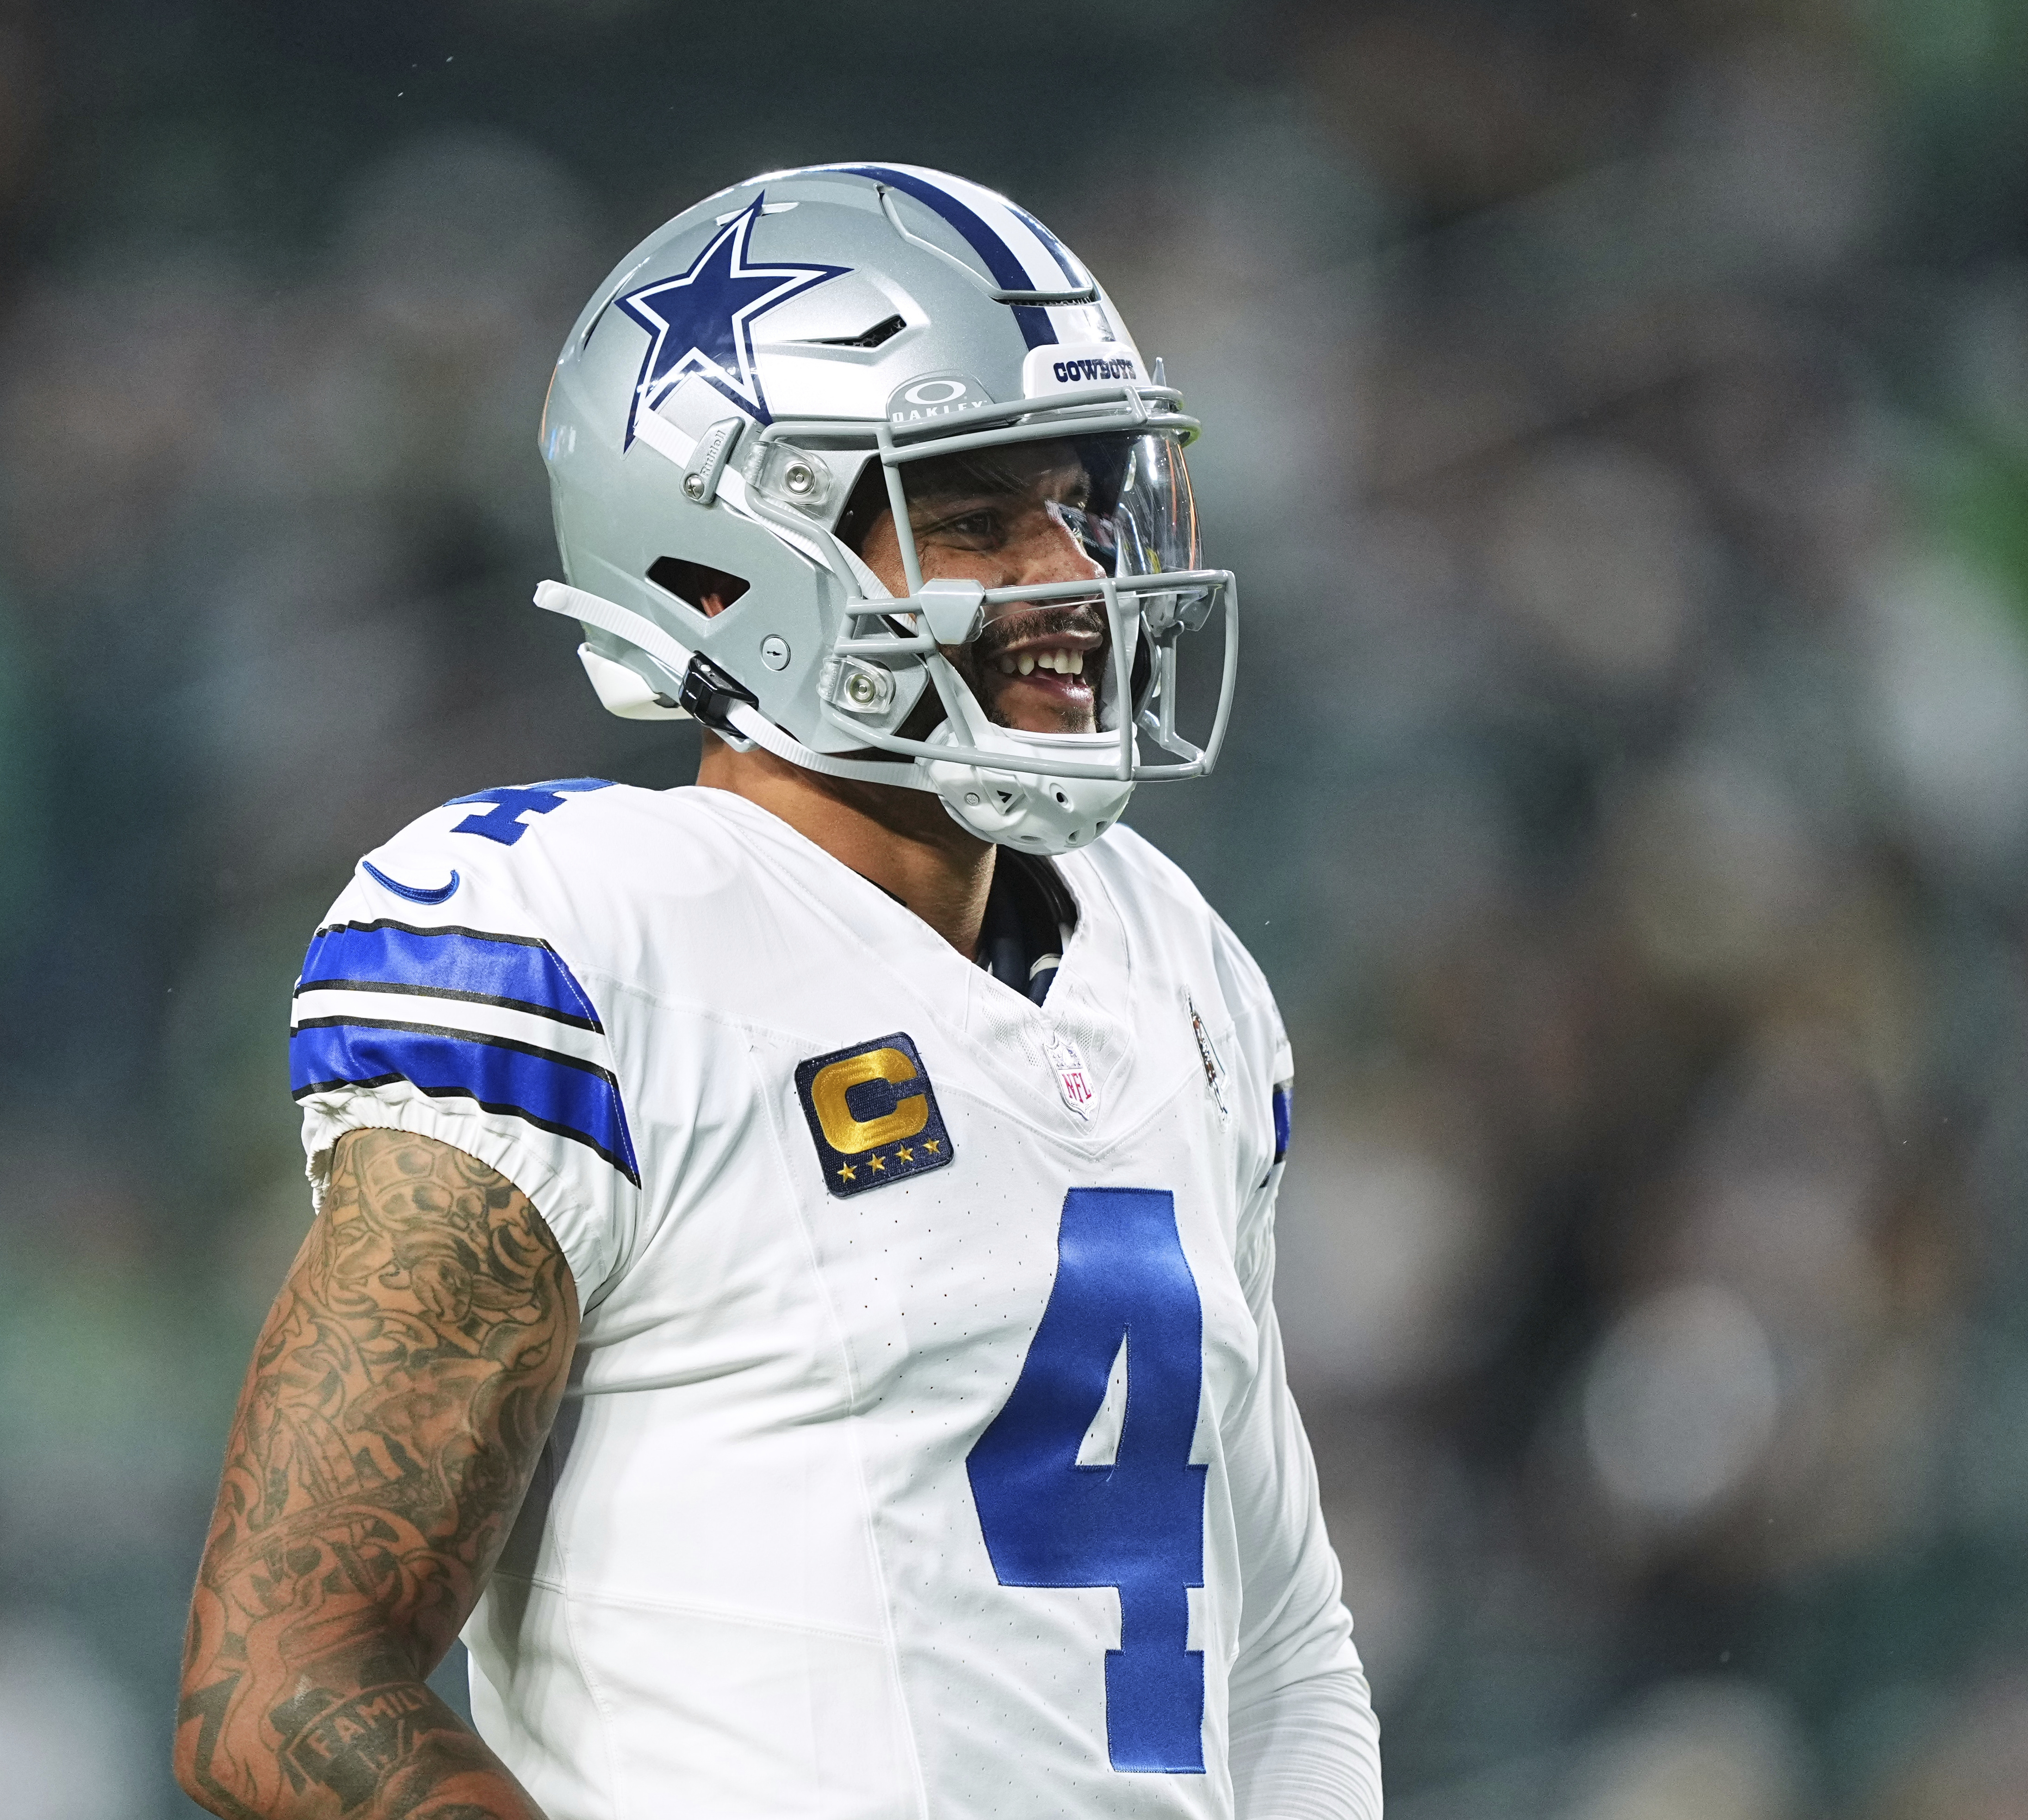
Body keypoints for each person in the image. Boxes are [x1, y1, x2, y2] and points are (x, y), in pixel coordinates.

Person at [175, 163, 1381, 1820]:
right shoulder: (588, 937)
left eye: (1082, 502)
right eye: (971, 513)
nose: (1071, 572)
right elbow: (285, 1684)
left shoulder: (1172, 962)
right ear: (725, 565)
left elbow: (1281, 1652)